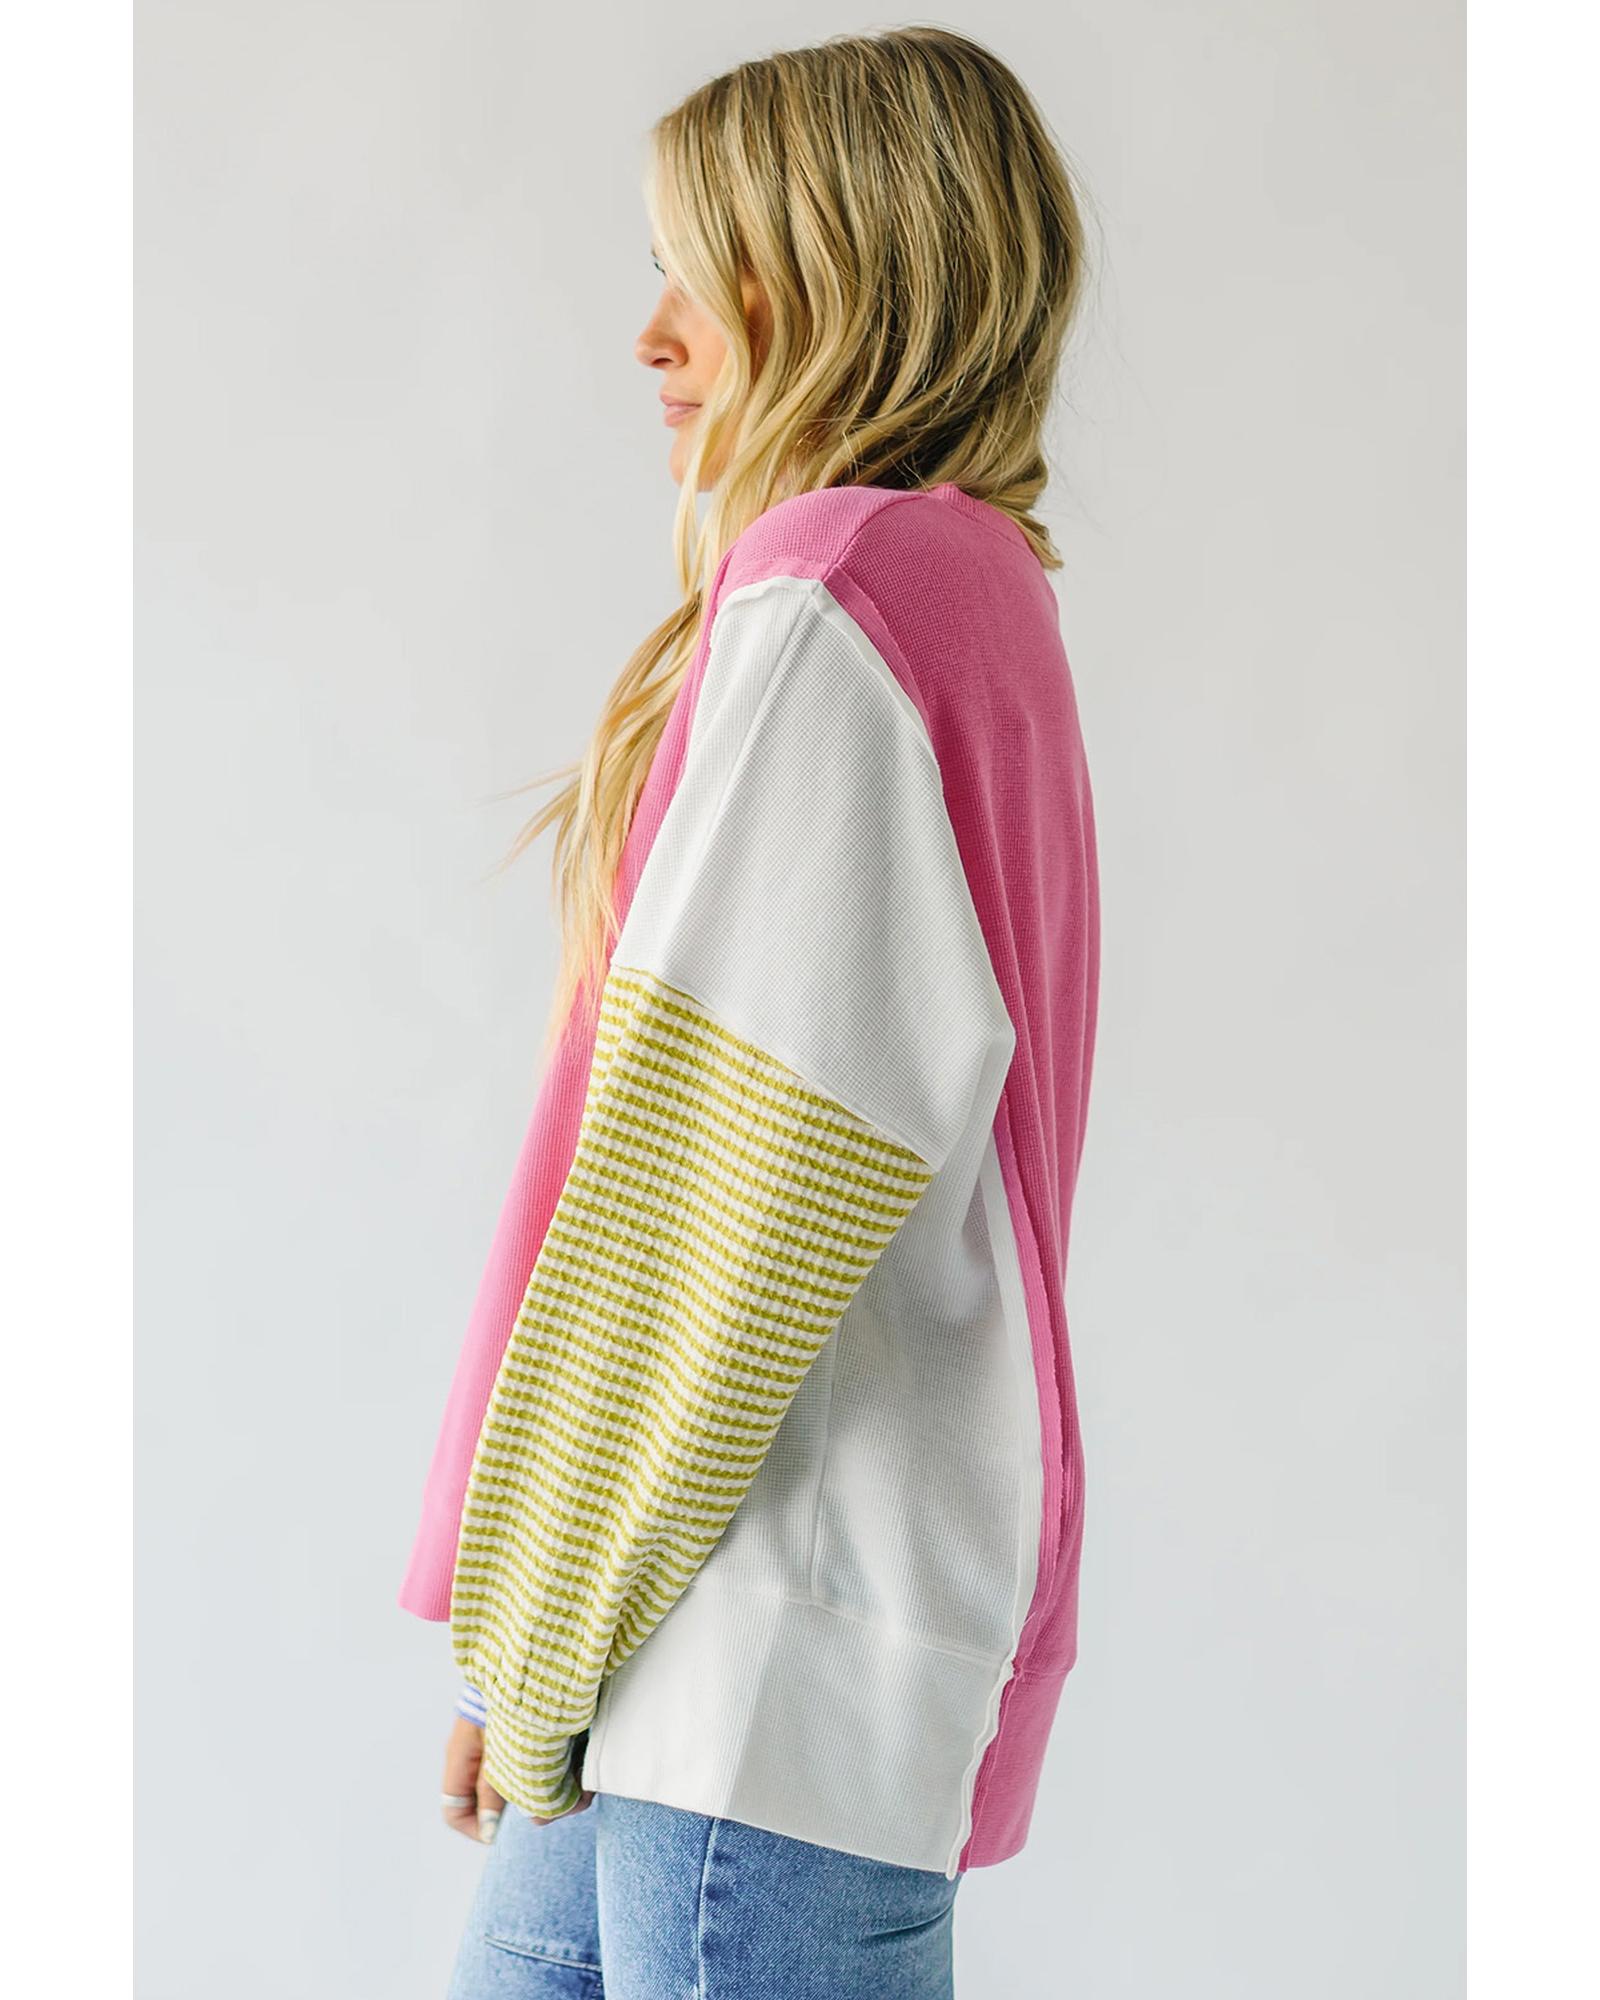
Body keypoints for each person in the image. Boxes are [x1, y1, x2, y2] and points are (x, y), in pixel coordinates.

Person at [399, 24, 1101, 1998]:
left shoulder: (835, 592)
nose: (654, 336)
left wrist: (535, 1643)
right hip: (716, 1625)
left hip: (744, 1633)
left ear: (854, 281)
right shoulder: (970, 589)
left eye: (709, 275)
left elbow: (718, 1205)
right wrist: (540, 1646)